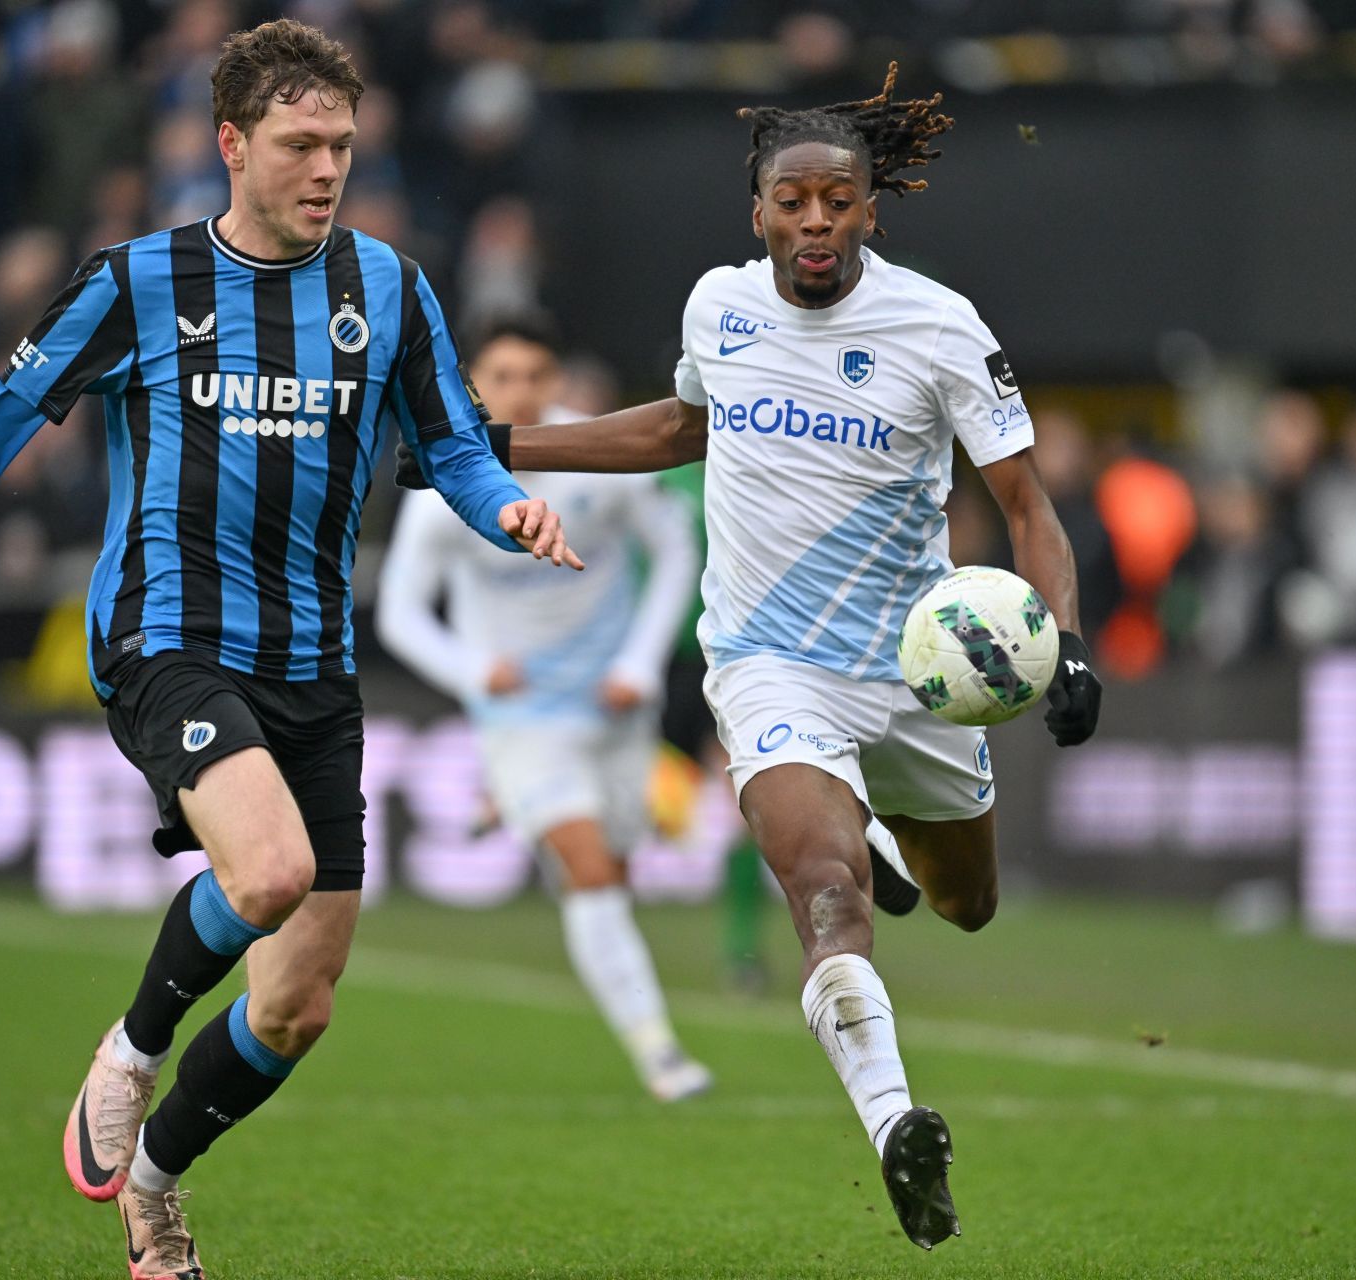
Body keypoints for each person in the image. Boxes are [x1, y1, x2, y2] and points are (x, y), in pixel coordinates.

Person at [0, 21, 581, 1280]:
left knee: (298, 1004)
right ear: (232, 144)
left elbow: (450, 444)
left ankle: (159, 1181)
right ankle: (127, 1052)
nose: (327, 168)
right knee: (271, 867)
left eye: (342, 144)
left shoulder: (389, 288)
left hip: (314, 669)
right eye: (300, 144)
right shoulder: (137, 281)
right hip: (166, 638)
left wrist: (504, 507)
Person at [398, 64, 1103, 1252]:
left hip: (922, 664)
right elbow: (677, 426)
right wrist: (497, 442)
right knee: (823, 897)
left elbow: (1026, 505)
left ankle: (886, 829)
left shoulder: (939, 324)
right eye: (793, 200)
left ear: (872, 208)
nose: (815, 220)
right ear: (759, 208)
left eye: (839, 200)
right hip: (772, 660)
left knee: (967, 904)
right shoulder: (718, 305)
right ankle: (893, 1123)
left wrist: (1068, 645)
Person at [375, 317, 713, 1101]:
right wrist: (471, 670)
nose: (520, 391)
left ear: (554, 380)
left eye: (535, 375)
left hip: (613, 704)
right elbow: (399, 612)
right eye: (502, 377)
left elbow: (674, 553)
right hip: (522, 713)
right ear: (473, 386)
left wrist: (639, 661)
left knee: (608, 872)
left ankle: (510, 804)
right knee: (592, 870)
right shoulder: (443, 486)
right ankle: (660, 1053)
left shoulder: (599, 458)